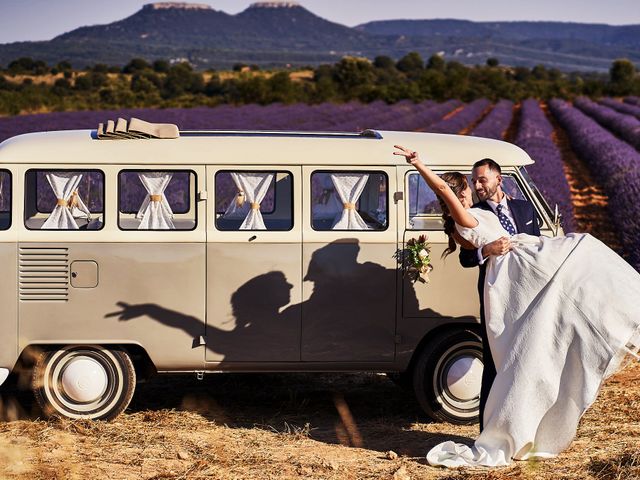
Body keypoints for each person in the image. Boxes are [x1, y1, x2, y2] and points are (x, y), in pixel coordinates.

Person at [393, 145, 640, 467]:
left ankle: (610, 322)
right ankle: (504, 427)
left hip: (526, 265)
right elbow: (447, 199)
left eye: (478, 182)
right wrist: (418, 163)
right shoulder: (463, 217)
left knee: (581, 269)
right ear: (458, 193)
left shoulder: (494, 210)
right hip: (512, 276)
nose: (473, 189)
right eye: (468, 185)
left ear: (498, 179)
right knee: (582, 253)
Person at [458, 158, 540, 431]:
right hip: (496, 299)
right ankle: (489, 431)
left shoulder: (525, 208)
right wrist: (487, 250)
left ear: (498, 179)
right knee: (494, 363)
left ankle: (522, 428)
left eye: (482, 179)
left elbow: (541, 249)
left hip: (527, 295)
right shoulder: (475, 213)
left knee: (526, 360)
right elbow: (466, 259)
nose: (477, 185)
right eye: (474, 181)